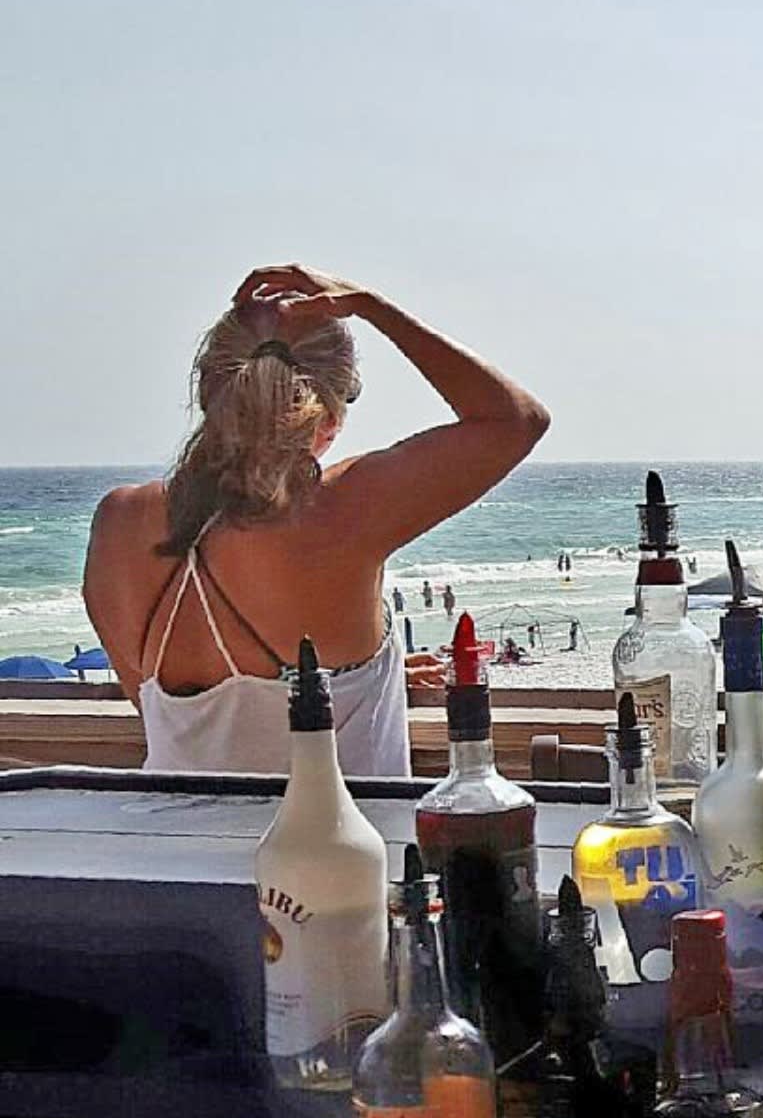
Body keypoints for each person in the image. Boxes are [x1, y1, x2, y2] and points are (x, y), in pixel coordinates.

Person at [83, 264, 549, 776]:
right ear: (328, 417)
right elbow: (516, 420)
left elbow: (191, 724)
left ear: (206, 392)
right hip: (342, 828)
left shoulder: (120, 521)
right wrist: (371, 306)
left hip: (160, 826)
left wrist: (360, 679)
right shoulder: (344, 509)